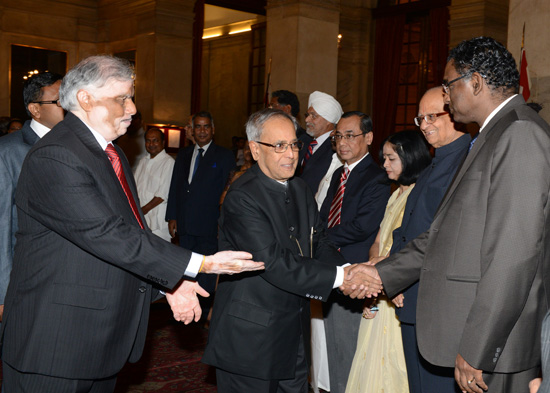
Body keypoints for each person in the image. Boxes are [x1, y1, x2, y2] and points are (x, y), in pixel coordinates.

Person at [0, 55, 263, 392]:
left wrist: (170, 284)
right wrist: (199, 263)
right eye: (122, 98)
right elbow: (105, 234)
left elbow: (128, 236)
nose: (133, 108)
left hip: (97, 340)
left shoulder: (113, 153)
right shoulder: (56, 154)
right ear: (85, 99)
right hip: (55, 343)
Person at [343, 36, 550, 393]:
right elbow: (446, 234)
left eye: (448, 85)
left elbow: (513, 257)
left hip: (497, 346)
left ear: (476, 83)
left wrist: (477, 346)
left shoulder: (518, 133)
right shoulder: (493, 134)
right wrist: (382, 272)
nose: (446, 94)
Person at [202, 108, 364, 393]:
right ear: (254, 149)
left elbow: (320, 242)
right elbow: (274, 263)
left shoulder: (300, 189)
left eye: (293, 144)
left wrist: (347, 271)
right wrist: (341, 280)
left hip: (294, 332)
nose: (290, 154)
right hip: (250, 340)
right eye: (278, 146)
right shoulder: (242, 197)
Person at [389, 87, 470, 393]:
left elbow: (440, 236)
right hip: (411, 297)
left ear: (454, 111)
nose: (423, 124)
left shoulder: (464, 162)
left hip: (434, 305)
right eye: (420, 117)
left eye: (432, 115)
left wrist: (396, 276)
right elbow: (407, 228)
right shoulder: (436, 161)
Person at [345, 130, 431, 393]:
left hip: (399, 290)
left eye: (391, 158)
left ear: (411, 158)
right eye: (384, 158)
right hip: (382, 287)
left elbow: (411, 251)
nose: (384, 165)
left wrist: (379, 275)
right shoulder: (394, 195)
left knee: (393, 368)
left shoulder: (421, 196)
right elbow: (378, 243)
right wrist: (371, 278)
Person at [320, 111, 390, 393]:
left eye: (350, 135)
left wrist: (320, 237)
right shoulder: (339, 172)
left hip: (357, 273)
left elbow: (363, 226)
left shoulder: (378, 176)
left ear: (369, 138)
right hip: (330, 267)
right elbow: (326, 215)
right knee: (331, 346)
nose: (342, 142)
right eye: (338, 136)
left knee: (350, 347)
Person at [0, 71, 64, 324]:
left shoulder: (79, 146)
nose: (67, 107)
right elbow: (2, 223)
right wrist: (3, 291)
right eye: (59, 101)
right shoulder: (8, 151)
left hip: (66, 274)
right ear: (35, 109)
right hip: (25, 274)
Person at [166, 111, 236, 311]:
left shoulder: (224, 156)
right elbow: (175, 187)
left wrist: (223, 223)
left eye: (206, 126)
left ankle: (204, 311)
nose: (202, 131)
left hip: (209, 225)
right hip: (186, 225)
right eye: (198, 126)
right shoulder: (184, 154)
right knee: (187, 270)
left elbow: (228, 192)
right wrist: (172, 216)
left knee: (207, 273)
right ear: (192, 130)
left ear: (213, 130)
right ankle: (187, 307)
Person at [297, 91, 343, 195]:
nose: (307, 119)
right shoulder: (303, 141)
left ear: (328, 121)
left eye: (313, 116)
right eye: (307, 115)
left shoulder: (335, 147)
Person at [133, 127, 175, 242]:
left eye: (155, 140)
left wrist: (142, 211)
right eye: (148, 140)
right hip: (140, 219)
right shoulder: (143, 161)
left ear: (163, 142)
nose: (151, 144)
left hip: (157, 222)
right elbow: (134, 188)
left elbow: (163, 194)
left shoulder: (169, 163)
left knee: (161, 255)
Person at [219, 139, 254, 204]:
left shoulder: (262, 171)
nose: (249, 151)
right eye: (247, 148)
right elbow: (223, 199)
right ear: (243, 151)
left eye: (252, 148)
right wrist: (233, 182)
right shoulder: (235, 171)